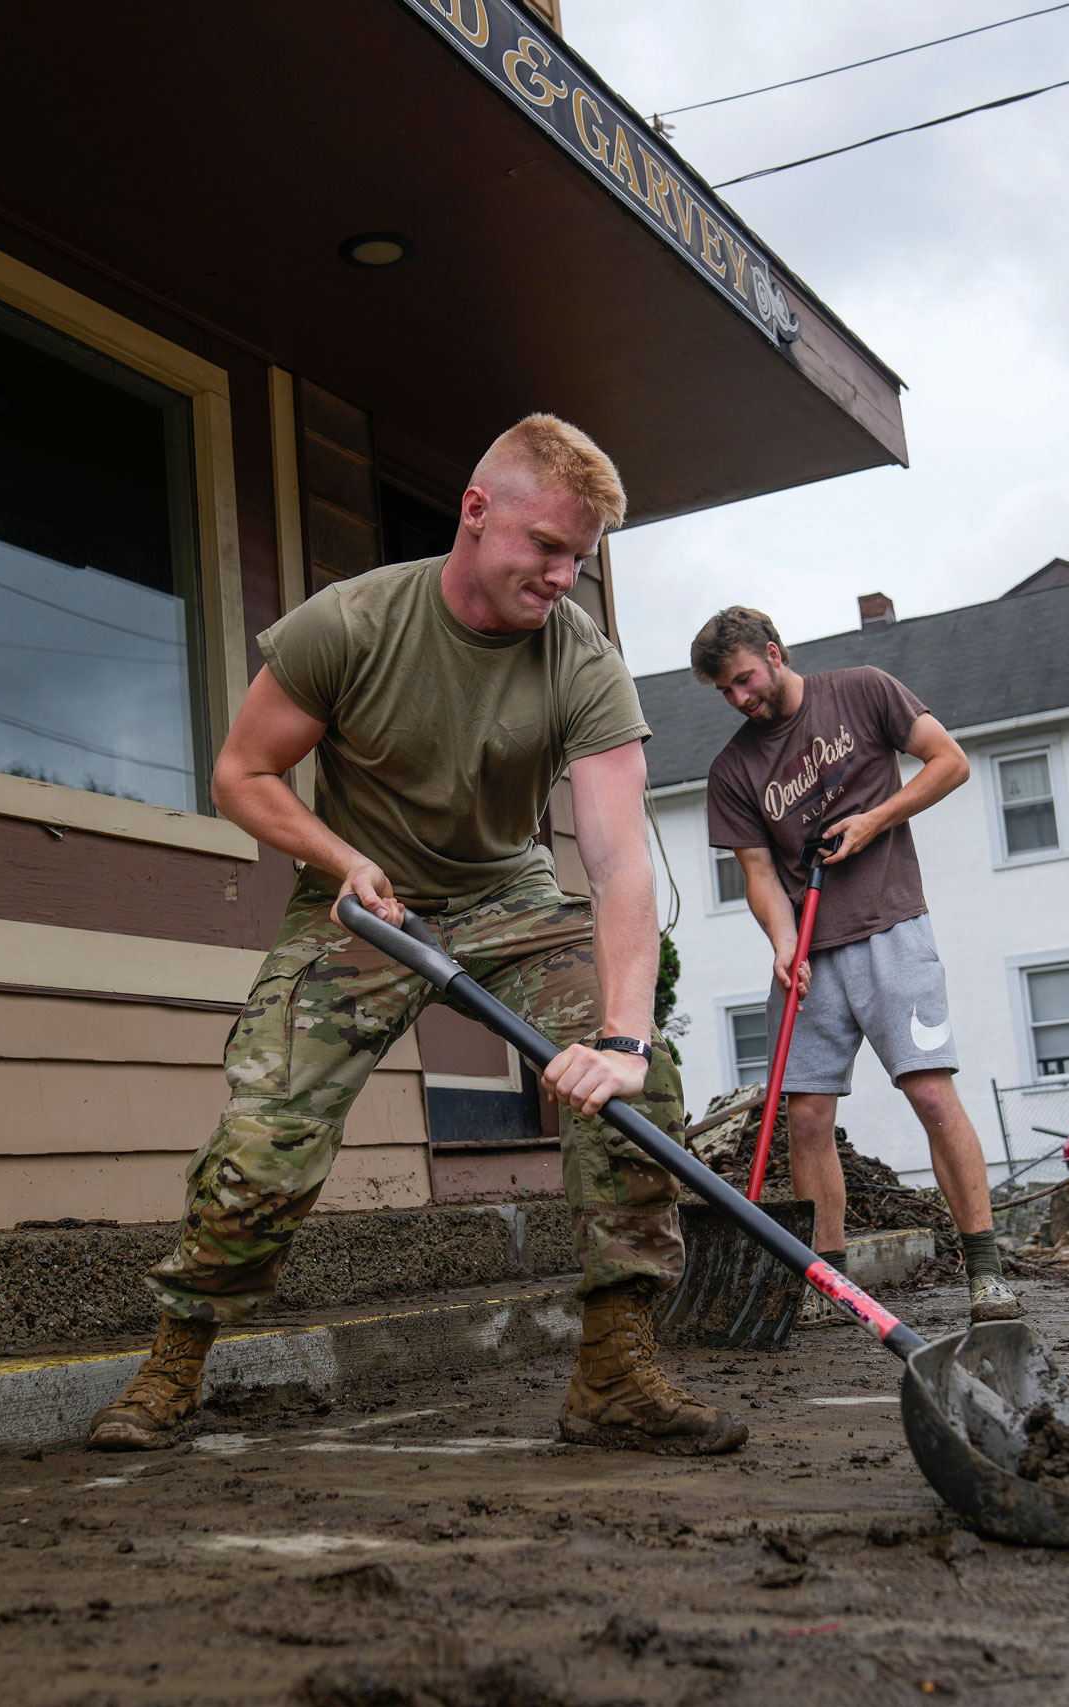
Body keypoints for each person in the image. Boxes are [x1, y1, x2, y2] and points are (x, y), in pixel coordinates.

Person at [88, 416, 744, 1457]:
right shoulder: (348, 625)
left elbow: (618, 865)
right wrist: (338, 857)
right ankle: (174, 1361)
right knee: (268, 1135)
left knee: (638, 1089)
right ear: (477, 514)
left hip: (510, 898)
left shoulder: (581, 661)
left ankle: (615, 1372)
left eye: (579, 558)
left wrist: (621, 1039)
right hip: (363, 899)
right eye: (546, 546)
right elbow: (241, 776)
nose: (563, 576)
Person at [692, 606, 1019, 1322]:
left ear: (774, 654)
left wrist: (876, 819)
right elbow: (757, 873)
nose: (739, 699)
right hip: (808, 952)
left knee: (932, 1096)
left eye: (744, 680)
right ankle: (830, 1283)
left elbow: (950, 762)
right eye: (725, 692)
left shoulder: (865, 690)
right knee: (807, 1115)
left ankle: (986, 1272)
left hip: (892, 928)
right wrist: (783, 942)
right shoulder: (733, 769)